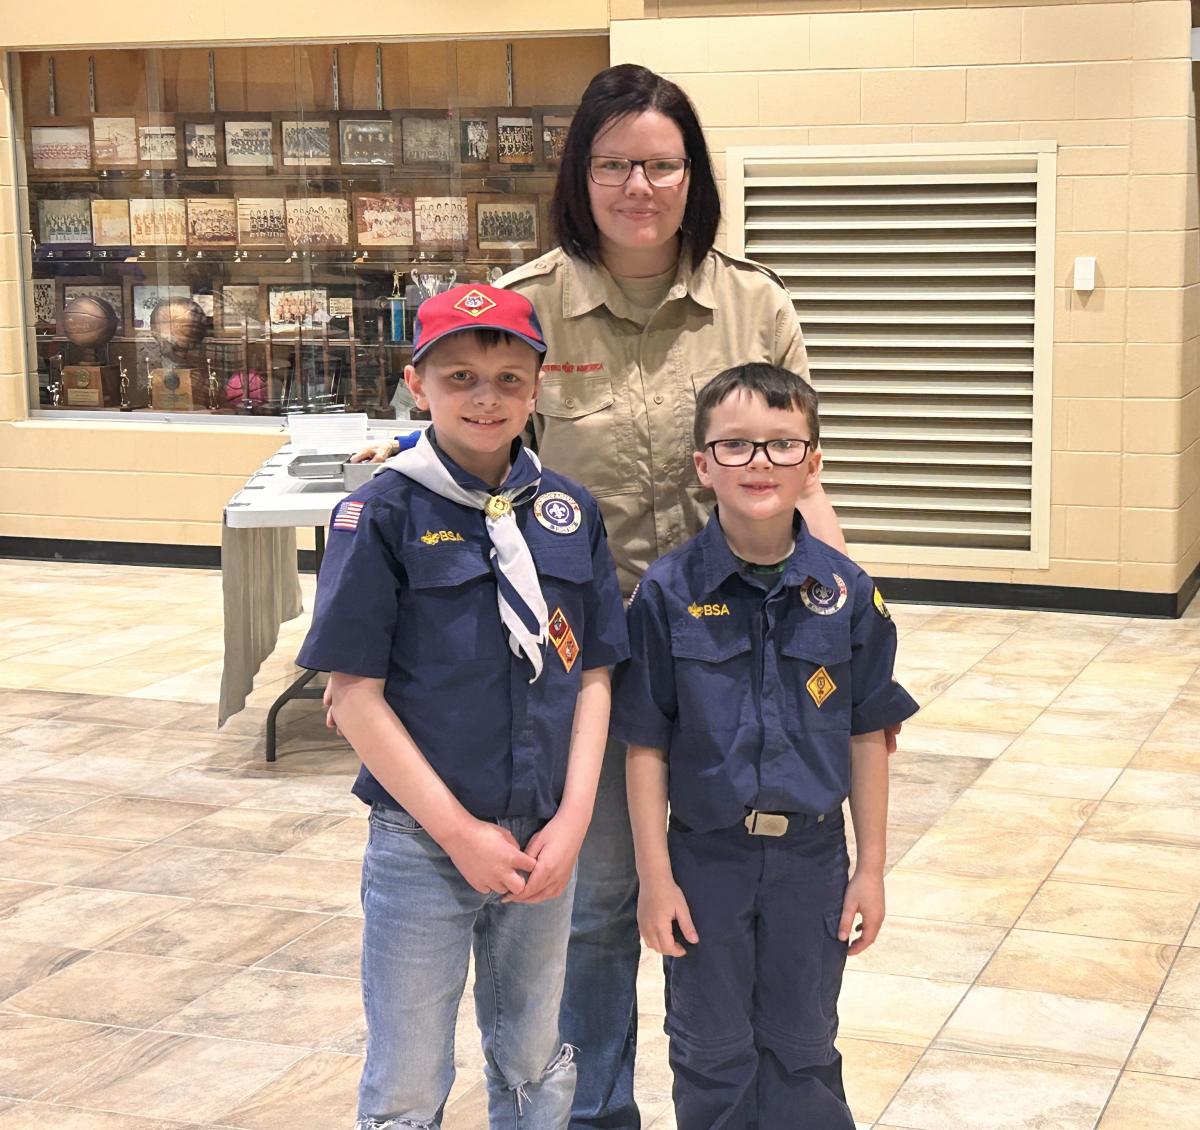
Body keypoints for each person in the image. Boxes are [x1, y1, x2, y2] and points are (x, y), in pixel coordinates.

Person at [347, 65, 860, 1129]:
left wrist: (842, 616)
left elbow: (805, 473)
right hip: (589, 673)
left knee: (727, 896)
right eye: (616, 162)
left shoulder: (753, 301)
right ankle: (596, 1113)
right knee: (596, 908)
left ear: (693, 175)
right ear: (582, 175)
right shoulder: (529, 301)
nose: (640, 183)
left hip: (736, 658)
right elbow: (475, 459)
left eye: (662, 163)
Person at [299, 283, 629, 1129]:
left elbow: (594, 672)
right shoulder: (380, 512)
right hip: (423, 845)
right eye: (460, 377)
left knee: (534, 1059)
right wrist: (458, 834)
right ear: (418, 383)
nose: (487, 398)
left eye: (509, 378)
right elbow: (355, 698)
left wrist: (576, 819)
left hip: (545, 837)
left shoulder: (567, 513)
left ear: (537, 386)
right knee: (408, 1077)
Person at [613, 363, 918, 1128]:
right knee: (709, 1047)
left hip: (811, 864)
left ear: (813, 462)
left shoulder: (848, 594)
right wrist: (655, 877)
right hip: (704, 859)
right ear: (703, 465)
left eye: (784, 446)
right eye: (737, 445)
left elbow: (867, 735)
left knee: (803, 1044)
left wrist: (871, 869)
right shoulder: (667, 593)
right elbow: (645, 745)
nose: (760, 463)